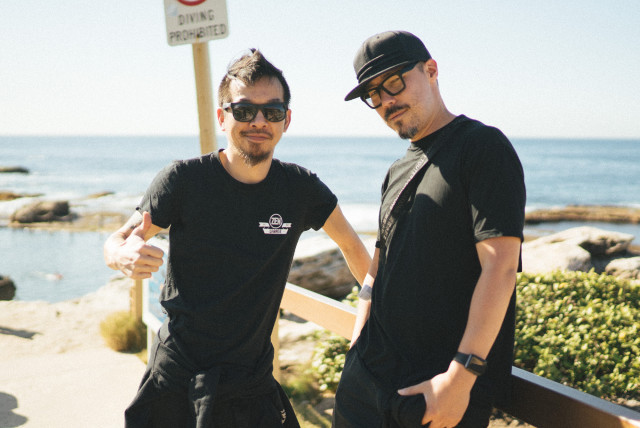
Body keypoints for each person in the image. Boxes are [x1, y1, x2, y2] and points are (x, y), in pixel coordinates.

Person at [104, 49, 372, 428]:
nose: (259, 121)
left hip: (252, 386)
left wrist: (382, 315)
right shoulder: (183, 180)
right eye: (244, 110)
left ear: (286, 120)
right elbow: (119, 239)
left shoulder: (301, 189)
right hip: (179, 379)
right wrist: (122, 255)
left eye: (272, 111)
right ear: (222, 117)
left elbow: (353, 248)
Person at [333, 31, 526, 428]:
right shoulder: (396, 170)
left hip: (434, 393)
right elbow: (377, 269)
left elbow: (501, 268)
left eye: (394, 82)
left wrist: (460, 378)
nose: (386, 101)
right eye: (373, 94)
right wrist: (356, 347)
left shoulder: (482, 147)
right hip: (365, 383)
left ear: (431, 70)